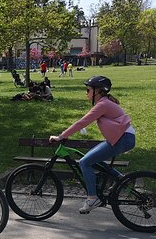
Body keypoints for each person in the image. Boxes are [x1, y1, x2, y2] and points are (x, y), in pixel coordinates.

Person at [49, 76, 135, 214]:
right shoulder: (104, 103)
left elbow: (82, 122)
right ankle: (122, 179)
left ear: (98, 91)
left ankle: (92, 198)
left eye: (88, 90)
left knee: (84, 162)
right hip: (122, 138)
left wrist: (61, 136)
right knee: (92, 160)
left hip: (123, 139)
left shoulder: (103, 104)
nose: (86, 93)